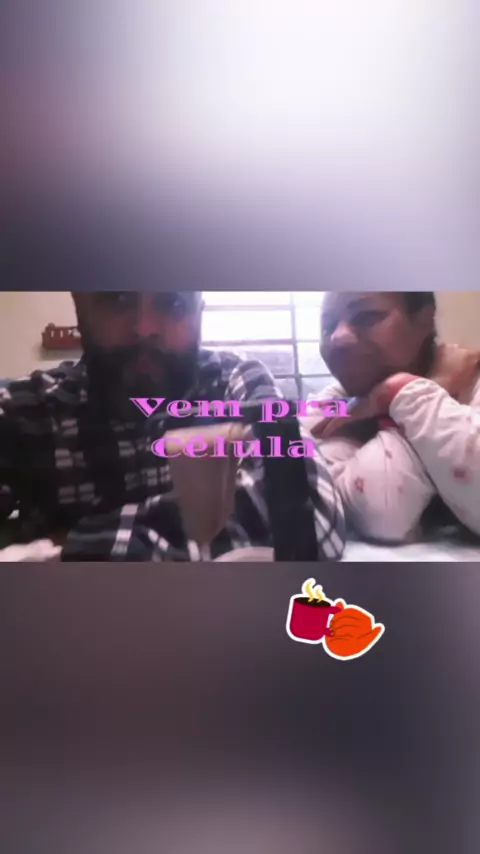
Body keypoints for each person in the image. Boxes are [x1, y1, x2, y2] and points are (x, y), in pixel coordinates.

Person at [0, 291, 345, 560]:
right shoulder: (27, 410)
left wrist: (66, 548)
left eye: (173, 302)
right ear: (79, 303)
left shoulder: (234, 381)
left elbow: (312, 515)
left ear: (199, 312)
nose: (145, 328)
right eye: (117, 298)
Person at [307, 291, 480, 543]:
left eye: (367, 317)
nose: (337, 337)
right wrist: (402, 400)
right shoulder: (338, 403)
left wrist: (404, 393)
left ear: (423, 321)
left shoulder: (473, 378)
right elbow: (382, 509)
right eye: (328, 326)